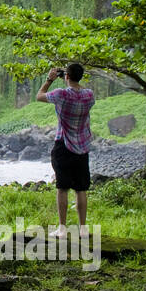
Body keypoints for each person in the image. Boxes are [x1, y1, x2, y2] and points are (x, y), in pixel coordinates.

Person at [36, 62, 95, 237]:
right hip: (82, 146)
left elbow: (39, 96)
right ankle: (83, 228)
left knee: (62, 188)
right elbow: (80, 90)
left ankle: (62, 228)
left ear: (66, 76)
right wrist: (70, 78)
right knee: (81, 189)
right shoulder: (89, 96)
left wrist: (50, 79)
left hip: (64, 145)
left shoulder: (61, 94)